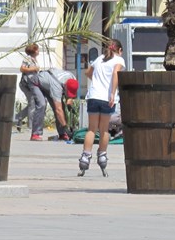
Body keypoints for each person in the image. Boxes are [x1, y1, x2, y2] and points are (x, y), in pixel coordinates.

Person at [78, 39, 125, 176]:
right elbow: (116, 74)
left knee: (91, 129)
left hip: (93, 96)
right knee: (104, 129)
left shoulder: (99, 59)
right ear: (119, 50)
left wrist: (97, 81)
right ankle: (102, 156)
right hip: (106, 98)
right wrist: (112, 93)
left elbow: (88, 72)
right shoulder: (118, 60)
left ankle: (85, 157)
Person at [32, 68, 79, 141]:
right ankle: (35, 134)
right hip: (37, 83)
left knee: (62, 108)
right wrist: (65, 127)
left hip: (49, 84)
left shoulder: (73, 78)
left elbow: (70, 92)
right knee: (42, 104)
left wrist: (69, 100)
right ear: (65, 86)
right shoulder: (57, 87)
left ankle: (62, 134)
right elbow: (58, 110)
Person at [15, 43, 40, 136]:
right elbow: (22, 69)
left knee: (32, 103)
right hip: (26, 85)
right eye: (37, 49)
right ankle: (30, 126)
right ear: (34, 50)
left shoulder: (34, 59)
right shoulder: (28, 58)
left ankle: (18, 117)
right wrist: (34, 68)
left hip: (32, 84)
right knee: (32, 103)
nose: (38, 51)